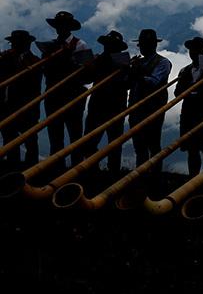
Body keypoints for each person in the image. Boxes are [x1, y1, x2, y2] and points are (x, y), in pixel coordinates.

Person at [42, 11, 90, 169]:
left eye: (62, 25)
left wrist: (68, 59)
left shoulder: (80, 45)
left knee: (75, 135)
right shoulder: (51, 46)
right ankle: (55, 169)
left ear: (69, 27)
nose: (59, 29)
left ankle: (77, 170)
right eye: (58, 26)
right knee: (55, 136)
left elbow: (87, 74)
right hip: (53, 95)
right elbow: (45, 71)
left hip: (73, 96)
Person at [82, 30, 131, 173]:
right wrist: (87, 67)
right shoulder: (97, 60)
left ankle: (113, 171)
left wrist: (126, 71)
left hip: (116, 104)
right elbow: (86, 79)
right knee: (90, 139)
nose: (109, 47)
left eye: (112, 45)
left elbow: (128, 83)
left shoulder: (123, 62)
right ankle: (92, 168)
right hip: (98, 103)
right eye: (108, 45)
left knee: (115, 141)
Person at [174, 36, 203, 177]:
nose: (193, 53)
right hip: (189, 115)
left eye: (197, 50)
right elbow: (177, 93)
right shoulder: (184, 71)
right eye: (192, 50)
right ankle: (192, 179)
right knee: (192, 150)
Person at [127, 29, 172, 167]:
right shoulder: (138, 62)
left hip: (153, 109)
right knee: (138, 144)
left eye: (146, 44)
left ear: (154, 46)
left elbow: (153, 82)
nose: (143, 48)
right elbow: (128, 84)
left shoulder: (163, 63)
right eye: (142, 45)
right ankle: (140, 174)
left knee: (153, 143)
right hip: (135, 107)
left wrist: (135, 71)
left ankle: (154, 175)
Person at [0, 30, 42, 166]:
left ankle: (32, 169)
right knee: (9, 138)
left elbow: (34, 82)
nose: (13, 46)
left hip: (27, 107)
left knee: (30, 139)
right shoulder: (5, 59)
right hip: (7, 106)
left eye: (16, 44)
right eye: (13, 44)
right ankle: (12, 167)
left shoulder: (34, 61)